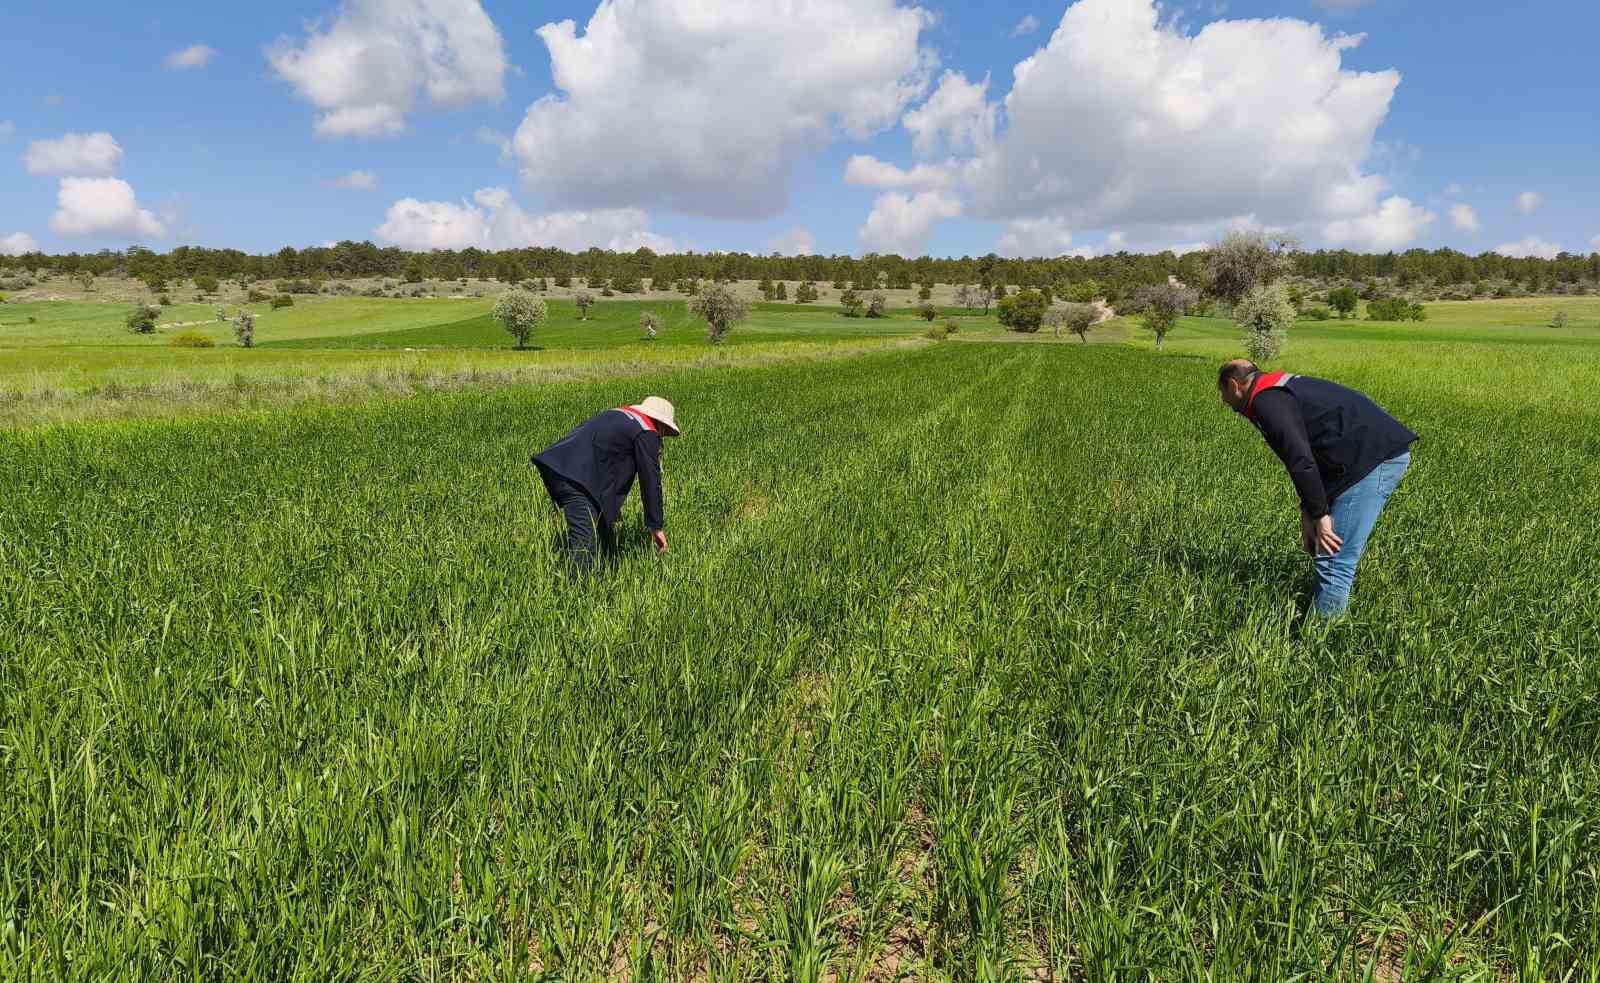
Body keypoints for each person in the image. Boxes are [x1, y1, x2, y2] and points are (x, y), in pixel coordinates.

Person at [1217, 360, 1416, 617]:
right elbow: (1311, 453)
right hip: (1359, 457)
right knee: (1328, 552)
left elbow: (1301, 459)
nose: (1223, 400)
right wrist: (1309, 511)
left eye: (1222, 392)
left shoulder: (1266, 402)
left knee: (1333, 558)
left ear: (1234, 386)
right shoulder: (1275, 390)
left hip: (1370, 460)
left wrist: (1321, 516)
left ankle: (1319, 645)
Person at [532, 396, 678, 576]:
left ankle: (610, 574)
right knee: (585, 543)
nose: (661, 437)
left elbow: (605, 458)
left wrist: (610, 506)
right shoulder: (646, 431)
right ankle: (575, 594)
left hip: (560, 466)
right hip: (577, 478)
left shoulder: (619, 415)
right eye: (664, 432)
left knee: (605, 531)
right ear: (661, 424)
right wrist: (656, 526)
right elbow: (650, 480)